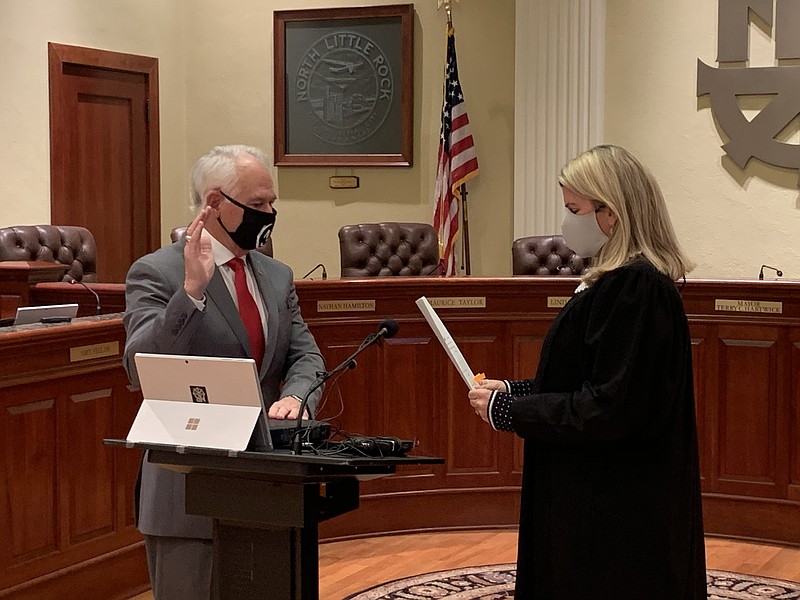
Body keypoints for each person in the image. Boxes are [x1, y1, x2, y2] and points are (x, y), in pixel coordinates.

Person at [468, 145, 706, 599]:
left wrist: (512, 412)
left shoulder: (636, 289)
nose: (565, 223)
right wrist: (514, 391)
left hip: (615, 511)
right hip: (597, 496)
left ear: (610, 214)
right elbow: (582, 379)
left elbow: (608, 407)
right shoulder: (616, 283)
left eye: (573, 209)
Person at [122, 144, 324, 599]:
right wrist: (191, 293)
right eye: (257, 204)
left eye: (271, 202)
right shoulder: (156, 272)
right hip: (187, 492)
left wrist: (298, 397)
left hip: (266, 486)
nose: (269, 213)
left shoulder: (275, 275)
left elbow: (305, 356)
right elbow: (140, 367)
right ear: (214, 204)